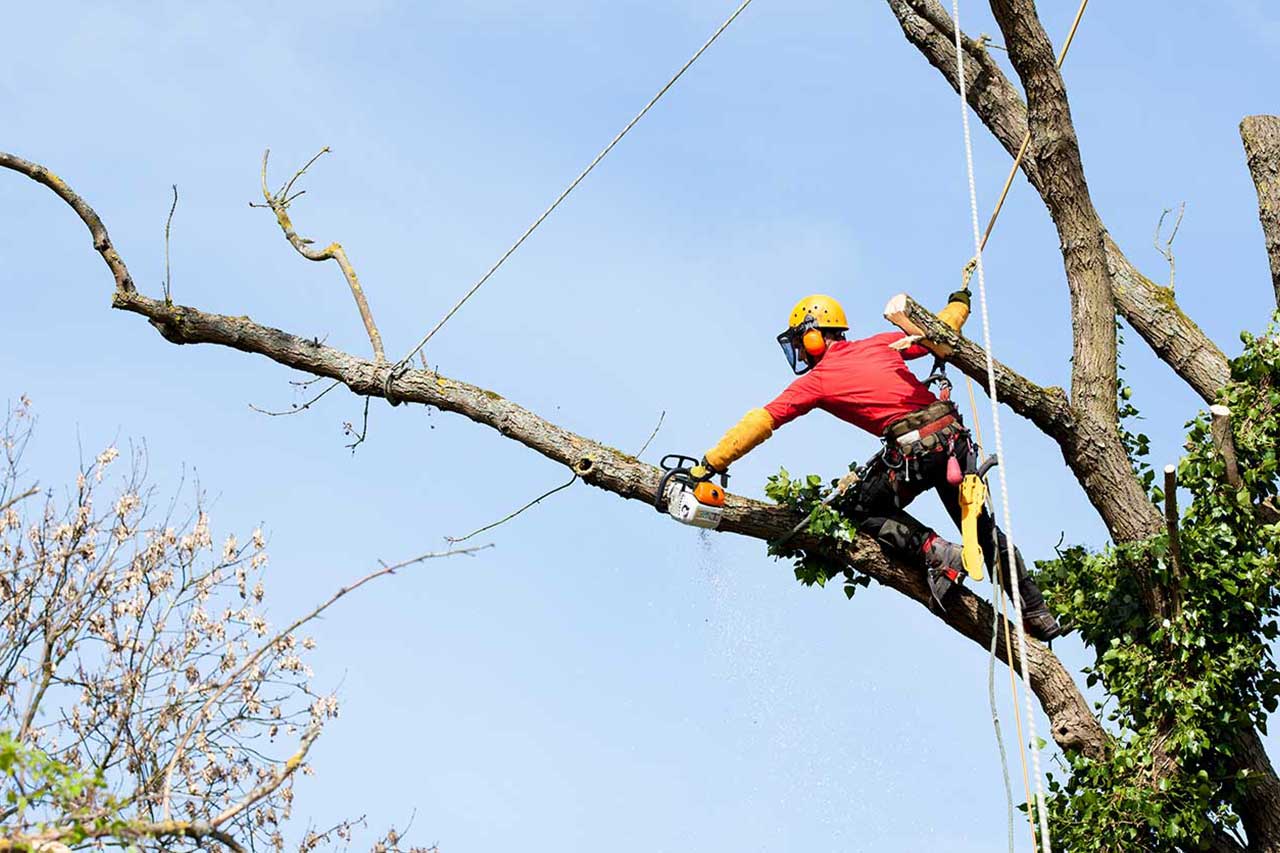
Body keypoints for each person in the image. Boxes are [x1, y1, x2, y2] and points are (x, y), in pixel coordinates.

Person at [692, 293, 1062, 641]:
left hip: (915, 452)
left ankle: (938, 552)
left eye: (801, 341)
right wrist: (958, 304)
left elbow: (762, 421)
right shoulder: (880, 343)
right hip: (953, 441)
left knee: (859, 509)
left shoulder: (817, 381)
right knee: (982, 531)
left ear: (812, 336)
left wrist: (709, 463)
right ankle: (1037, 612)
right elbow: (939, 329)